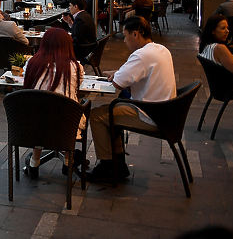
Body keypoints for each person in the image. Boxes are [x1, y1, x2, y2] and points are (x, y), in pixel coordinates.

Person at [87, 16, 176, 182]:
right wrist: (121, 73)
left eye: (125, 35)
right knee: (113, 109)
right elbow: (136, 75)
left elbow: (118, 84)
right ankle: (117, 164)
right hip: (165, 112)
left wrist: (118, 75)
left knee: (97, 115)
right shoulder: (161, 50)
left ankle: (107, 166)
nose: (124, 41)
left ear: (135, 34)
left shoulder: (141, 55)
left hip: (151, 115)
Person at [21, 28, 85, 178]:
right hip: (66, 124)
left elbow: (27, 83)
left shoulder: (32, 63)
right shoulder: (75, 67)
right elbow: (76, 89)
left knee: (40, 110)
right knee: (69, 107)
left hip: (33, 124)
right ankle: (68, 162)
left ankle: (34, 163)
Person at [199, 15, 233, 97]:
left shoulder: (207, 47)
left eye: (227, 28)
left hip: (222, 88)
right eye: (222, 28)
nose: (227, 31)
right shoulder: (219, 48)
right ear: (213, 31)